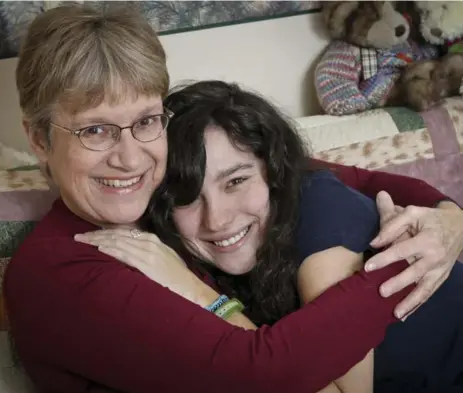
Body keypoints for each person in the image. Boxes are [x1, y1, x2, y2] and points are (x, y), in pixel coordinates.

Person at [3, 4, 463, 393]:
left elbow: (347, 179)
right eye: (95, 130)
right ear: (40, 140)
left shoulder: (156, 189)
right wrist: (407, 261)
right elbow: (264, 372)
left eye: (145, 121)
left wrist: (449, 222)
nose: (129, 159)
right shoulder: (63, 275)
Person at [80, 80, 463, 393]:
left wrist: (197, 294)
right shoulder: (200, 252)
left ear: (274, 173)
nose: (217, 219)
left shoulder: (320, 221)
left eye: (236, 181)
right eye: (188, 198)